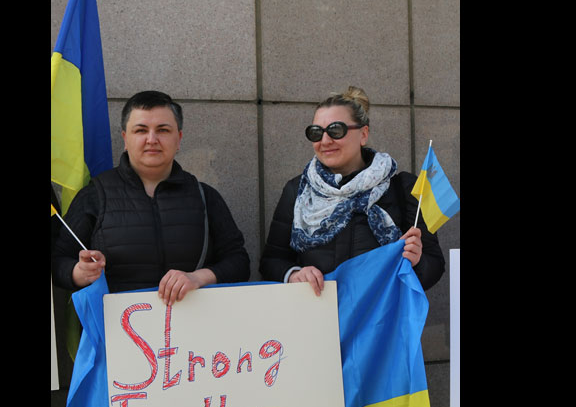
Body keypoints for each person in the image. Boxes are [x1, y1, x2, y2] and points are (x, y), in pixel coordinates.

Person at [52, 90, 250, 304]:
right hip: (117, 329)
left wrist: (197, 278)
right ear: (125, 139)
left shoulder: (205, 196)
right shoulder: (95, 195)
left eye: (163, 130)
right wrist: (80, 272)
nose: (152, 139)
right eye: (141, 130)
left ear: (179, 138)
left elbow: (239, 262)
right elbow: (58, 261)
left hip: (194, 328)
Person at [259, 86, 444, 295]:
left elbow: (435, 265)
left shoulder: (405, 188)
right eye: (316, 133)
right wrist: (293, 274)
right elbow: (271, 261)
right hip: (318, 319)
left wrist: (417, 262)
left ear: (363, 134)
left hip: (381, 321)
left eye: (336, 130)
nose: (325, 141)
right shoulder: (298, 191)